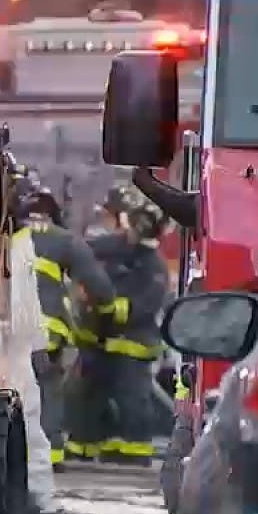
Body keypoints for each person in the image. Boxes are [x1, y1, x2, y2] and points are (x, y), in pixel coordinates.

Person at [11, 186, 110, 514]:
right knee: (40, 413)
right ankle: (46, 505)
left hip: (2, 339)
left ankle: (45, 512)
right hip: (43, 337)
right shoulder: (64, 240)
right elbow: (101, 288)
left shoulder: (1, 236)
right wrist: (105, 314)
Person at [86, 199, 171, 466]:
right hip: (109, 341)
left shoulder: (154, 265)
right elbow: (87, 250)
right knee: (104, 396)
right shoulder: (119, 248)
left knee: (132, 398)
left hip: (135, 345)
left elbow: (145, 305)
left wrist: (111, 308)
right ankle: (112, 447)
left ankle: (135, 453)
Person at [64, 185, 144, 460]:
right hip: (96, 336)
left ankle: (114, 449)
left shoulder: (135, 253)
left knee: (120, 396)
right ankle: (87, 447)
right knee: (89, 395)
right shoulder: (105, 246)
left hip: (115, 339)